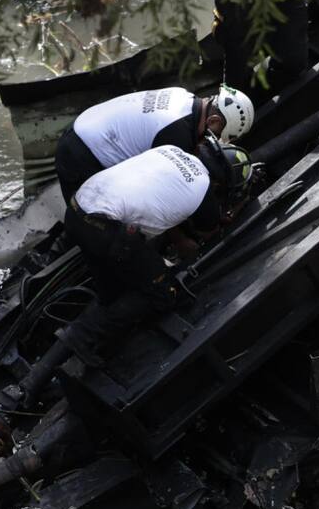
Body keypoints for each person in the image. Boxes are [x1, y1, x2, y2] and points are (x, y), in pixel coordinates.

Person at [58, 140, 253, 361]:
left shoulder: (169, 150)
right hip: (105, 229)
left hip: (77, 208)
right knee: (162, 292)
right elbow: (209, 233)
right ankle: (81, 336)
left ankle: (94, 339)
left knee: (113, 289)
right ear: (221, 183)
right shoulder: (203, 187)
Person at [54, 85, 253, 203]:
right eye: (218, 134)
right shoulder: (177, 133)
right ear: (213, 121)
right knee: (89, 217)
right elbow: (157, 189)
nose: (213, 140)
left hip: (82, 128)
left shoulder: (182, 95)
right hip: (84, 154)